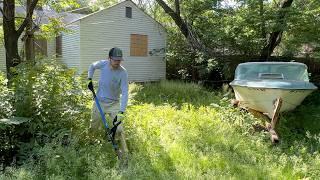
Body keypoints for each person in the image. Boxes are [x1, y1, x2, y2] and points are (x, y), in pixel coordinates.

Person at [87, 47, 129, 161]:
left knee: (119, 129)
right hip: (99, 102)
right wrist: (89, 79)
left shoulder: (123, 72)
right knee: (93, 126)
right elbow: (92, 66)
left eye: (119, 60)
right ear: (109, 58)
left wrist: (121, 111)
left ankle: (125, 154)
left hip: (114, 104)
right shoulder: (103, 64)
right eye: (115, 60)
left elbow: (125, 93)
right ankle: (91, 145)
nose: (117, 62)